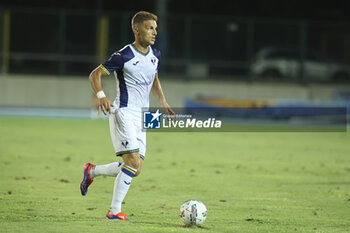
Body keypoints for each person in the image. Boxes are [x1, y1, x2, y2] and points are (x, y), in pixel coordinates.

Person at [80, 11, 175, 220]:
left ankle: (92, 171)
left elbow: (154, 78)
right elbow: (95, 74)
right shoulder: (124, 55)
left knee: (136, 168)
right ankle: (114, 212)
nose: (154, 33)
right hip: (123, 112)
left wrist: (163, 102)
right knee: (131, 163)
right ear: (136, 29)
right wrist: (102, 96)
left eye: (155, 29)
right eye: (150, 28)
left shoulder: (155, 55)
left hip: (144, 116)